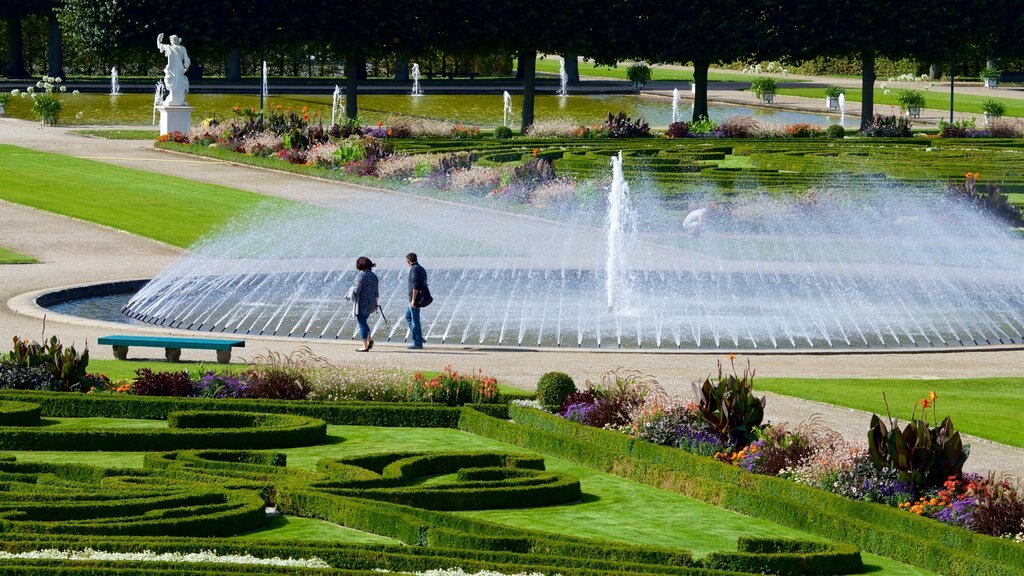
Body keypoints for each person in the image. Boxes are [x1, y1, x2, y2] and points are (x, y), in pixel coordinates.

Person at [350, 256, 379, 352]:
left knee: (361, 323)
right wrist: (376, 303)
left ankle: (364, 345)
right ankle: (369, 340)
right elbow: (376, 292)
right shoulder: (374, 276)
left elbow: (357, 290)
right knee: (364, 321)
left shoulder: (360, 275)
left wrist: (351, 291)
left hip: (362, 303)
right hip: (371, 303)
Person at [156, 33, 190, 106]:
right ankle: (179, 100)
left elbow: (159, 46)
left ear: (171, 41)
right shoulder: (182, 48)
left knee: (172, 83)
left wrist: (159, 38)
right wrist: (185, 69)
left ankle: (173, 99)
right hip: (179, 68)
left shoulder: (169, 47)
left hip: (172, 68)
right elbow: (187, 61)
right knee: (179, 83)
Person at [405, 252, 427, 349]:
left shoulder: (414, 269)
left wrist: (413, 300)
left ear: (408, 261)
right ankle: (419, 338)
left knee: (415, 320)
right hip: (417, 298)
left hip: (415, 299)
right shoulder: (421, 268)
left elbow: (415, 286)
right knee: (408, 316)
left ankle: (418, 343)